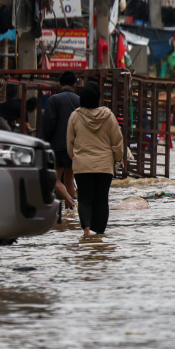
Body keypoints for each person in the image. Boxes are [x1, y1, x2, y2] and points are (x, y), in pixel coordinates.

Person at [67, 82, 124, 236]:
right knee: (101, 200)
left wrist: (76, 158)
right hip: (104, 167)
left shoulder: (75, 116)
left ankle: (86, 230)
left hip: (82, 165)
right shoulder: (109, 116)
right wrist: (117, 159)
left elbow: (70, 142)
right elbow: (117, 142)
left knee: (84, 199)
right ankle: (99, 235)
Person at [42, 71, 82, 208]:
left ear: (59, 84)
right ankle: (69, 213)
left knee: (54, 179)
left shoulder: (53, 100)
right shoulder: (79, 101)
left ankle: (71, 203)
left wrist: (46, 141)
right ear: (75, 85)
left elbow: (48, 123)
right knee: (69, 180)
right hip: (75, 146)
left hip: (58, 146)